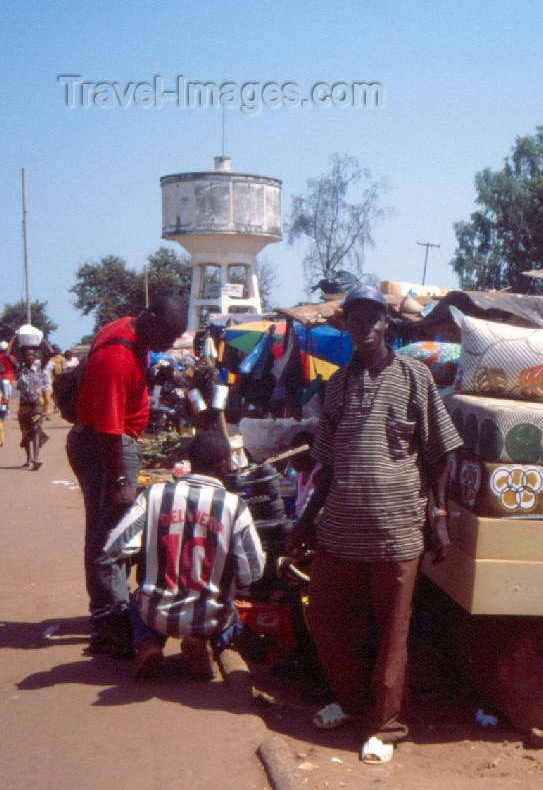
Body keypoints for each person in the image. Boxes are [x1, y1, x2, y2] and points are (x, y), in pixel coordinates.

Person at [288, 285, 462, 764]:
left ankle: (385, 726)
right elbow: (325, 461)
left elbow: (441, 453)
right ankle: (352, 703)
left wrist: (439, 517)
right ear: (346, 326)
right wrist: (304, 521)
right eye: (354, 318)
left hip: (398, 528)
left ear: (387, 324)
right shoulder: (339, 384)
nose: (363, 326)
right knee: (325, 615)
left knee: (392, 631)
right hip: (340, 528)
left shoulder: (414, 377)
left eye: (372, 317)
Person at [66, 297, 187, 658]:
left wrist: (148, 378)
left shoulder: (127, 330)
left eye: (175, 337)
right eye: (167, 335)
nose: (168, 344)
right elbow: (107, 428)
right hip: (107, 447)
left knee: (107, 533)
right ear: (149, 319)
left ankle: (108, 614)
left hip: (104, 441)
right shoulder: (118, 357)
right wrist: (119, 480)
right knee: (111, 537)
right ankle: (111, 623)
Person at [101, 431, 266, 680]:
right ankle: (200, 641)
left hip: (154, 612)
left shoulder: (153, 495)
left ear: (190, 461)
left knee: (136, 602)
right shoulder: (235, 507)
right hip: (209, 616)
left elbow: (116, 546)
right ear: (223, 464)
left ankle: (148, 644)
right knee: (230, 615)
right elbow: (252, 572)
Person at [5, 337, 53, 469]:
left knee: (36, 429)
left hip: (37, 403)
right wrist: (14, 338)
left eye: (33, 355)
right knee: (25, 432)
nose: (31, 357)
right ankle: (28, 458)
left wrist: (41, 339)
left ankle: (36, 459)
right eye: (28, 355)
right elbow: (7, 355)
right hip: (24, 405)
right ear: (24, 357)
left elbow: (50, 352)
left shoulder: (39, 366)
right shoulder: (19, 368)